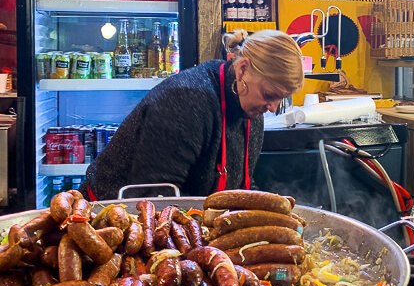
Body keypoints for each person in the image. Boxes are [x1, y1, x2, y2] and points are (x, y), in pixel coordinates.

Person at [80, 30, 305, 200]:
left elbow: (239, 184)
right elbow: (155, 197)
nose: (274, 108)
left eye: (281, 98)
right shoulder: (187, 100)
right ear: (243, 69)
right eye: (269, 94)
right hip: (111, 220)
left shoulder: (250, 106)